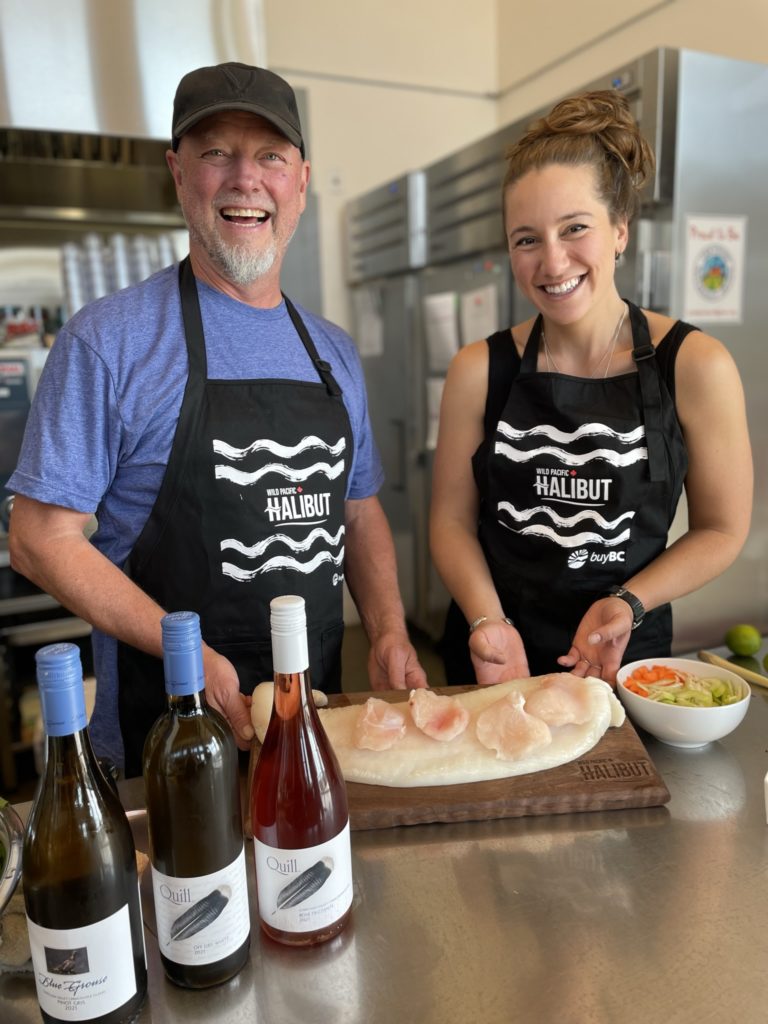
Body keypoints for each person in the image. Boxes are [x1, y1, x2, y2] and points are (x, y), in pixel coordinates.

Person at [8, 62, 426, 777]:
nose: (245, 178)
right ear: (178, 173)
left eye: (270, 155)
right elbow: (39, 539)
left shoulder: (332, 353)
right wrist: (186, 654)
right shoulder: (109, 339)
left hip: (311, 732)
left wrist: (388, 630)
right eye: (215, 153)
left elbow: (358, 515)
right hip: (166, 748)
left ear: (299, 180)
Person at [430, 89, 752, 688]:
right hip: (497, 653)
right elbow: (450, 521)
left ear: (620, 231)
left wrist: (629, 602)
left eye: (574, 228)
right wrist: (487, 621)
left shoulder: (695, 364)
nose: (552, 263)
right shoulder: (479, 369)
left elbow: (722, 529)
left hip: (626, 655)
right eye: (526, 239)